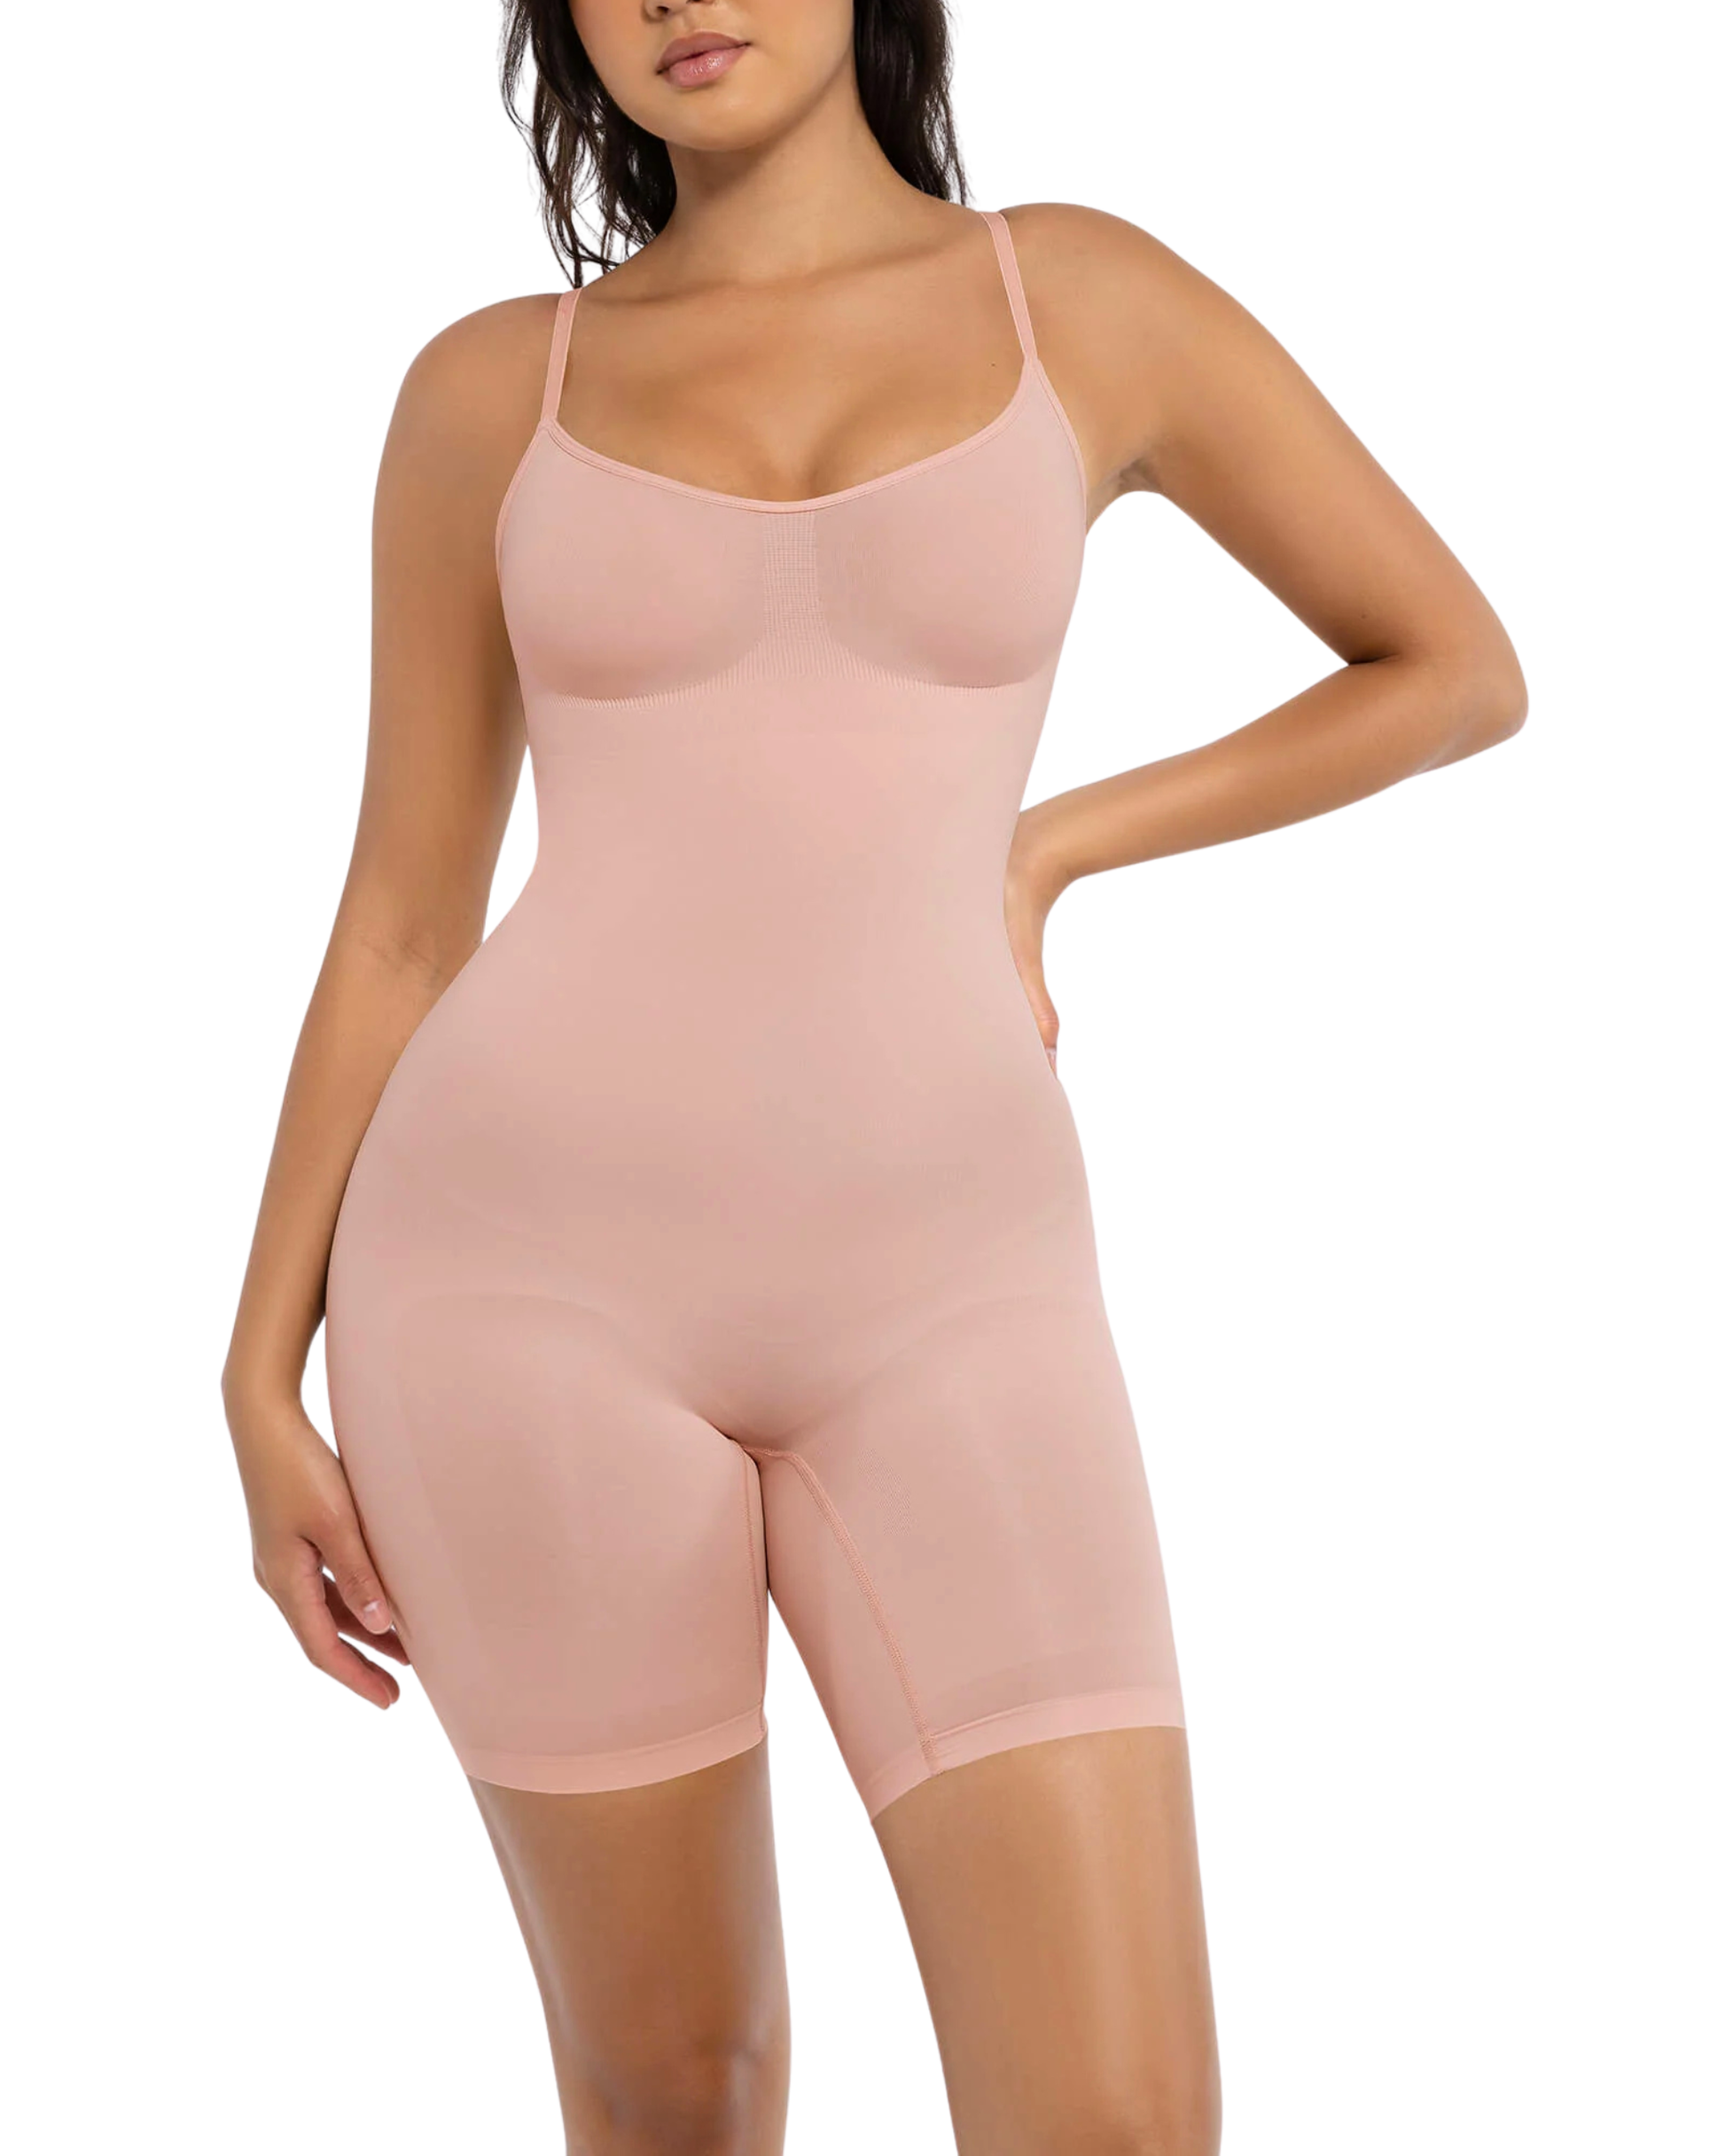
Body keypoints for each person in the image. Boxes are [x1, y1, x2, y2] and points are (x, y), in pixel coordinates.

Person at [222, 4, 1526, 2150]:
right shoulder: (486, 393)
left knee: (1120, 2116)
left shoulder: (1077, 296)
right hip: (515, 1291)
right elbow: (398, 918)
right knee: (679, 2094)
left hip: (953, 1288)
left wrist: (1051, 845)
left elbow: (1450, 664)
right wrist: (258, 1367)